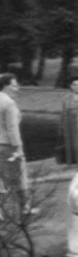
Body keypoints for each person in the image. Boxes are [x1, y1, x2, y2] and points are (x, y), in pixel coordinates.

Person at [0, 73, 29, 218]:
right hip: (7, 145)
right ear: (6, 86)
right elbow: (12, 128)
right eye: (14, 85)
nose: (17, 88)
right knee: (19, 176)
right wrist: (18, 148)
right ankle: (25, 207)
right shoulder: (8, 103)